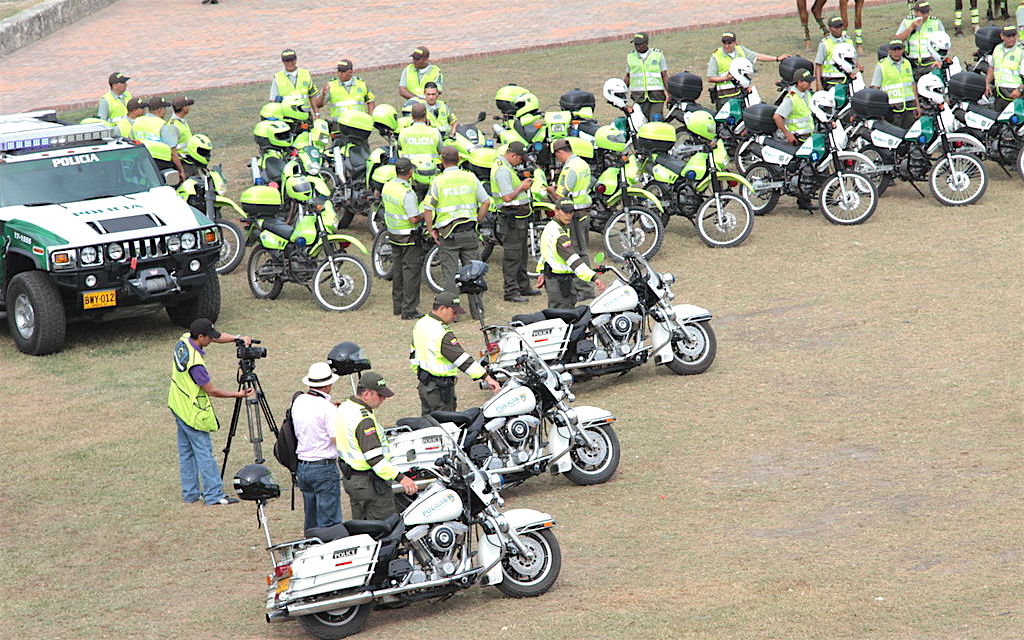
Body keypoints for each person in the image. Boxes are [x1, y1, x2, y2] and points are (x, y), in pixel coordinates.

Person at [167, 318, 252, 506]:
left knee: (186, 452)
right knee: (204, 452)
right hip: (192, 411)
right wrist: (238, 394)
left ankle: (190, 494)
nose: (212, 340)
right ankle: (214, 495)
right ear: (200, 336)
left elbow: (218, 337)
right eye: (209, 337)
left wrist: (237, 338)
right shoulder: (196, 365)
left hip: (177, 404)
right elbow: (211, 390)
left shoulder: (184, 340)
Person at [336, 372, 418, 520]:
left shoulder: (345, 408)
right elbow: (375, 459)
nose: (383, 399)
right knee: (384, 530)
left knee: (362, 529)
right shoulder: (364, 420)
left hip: (353, 480)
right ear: (367, 394)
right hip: (370, 483)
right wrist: (401, 478)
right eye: (380, 395)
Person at [410, 292, 501, 415]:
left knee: (427, 426)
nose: (455, 316)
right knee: (445, 426)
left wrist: (420, 374)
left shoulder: (421, 323)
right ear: (442, 308)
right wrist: (487, 378)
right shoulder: (441, 331)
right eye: (454, 312)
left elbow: (413, 353)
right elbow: (462, 360)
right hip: (440, 389)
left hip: (425, 385)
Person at [423, 146, 491, 297]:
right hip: (469, 231)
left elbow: (427, 207)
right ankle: (477, 310)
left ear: (442, 161)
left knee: (450, 275)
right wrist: (477, 220)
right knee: (474, 273)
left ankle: (452, 310)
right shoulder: (471, 177)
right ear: (460, 159)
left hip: (448, 235)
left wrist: (430, 229)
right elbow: (486, 202)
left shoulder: (438, 181)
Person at [293, 362, 343, 530]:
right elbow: (337, 439)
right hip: (324, 467)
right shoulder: (327, 409)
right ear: (328, 385)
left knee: (312, 520)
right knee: (329, 523)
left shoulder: (299, 401)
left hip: (304, 466)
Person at [489, 141, 538, 303]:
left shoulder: (506, 167)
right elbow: (507, 197)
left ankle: (523, 286)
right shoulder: (502, 170)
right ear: (512, 155)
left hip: (519, 219)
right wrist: (522, 187)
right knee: (512, 255)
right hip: (511, 219)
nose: (521, 162)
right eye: (520, 158)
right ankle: (511, 291)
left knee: (522, 254)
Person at [536, 199, 607, 309]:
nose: (568, 216)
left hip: (553, 279)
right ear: (556, 211)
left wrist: (541, 272)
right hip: (560, 282)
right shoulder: (560, 234)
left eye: (571, 212)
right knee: (563, 317)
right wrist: (594, 278)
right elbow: (574, 260)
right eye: (565, 212)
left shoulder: (550, 227)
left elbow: (545, 253)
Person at [546, 138, 593, 299]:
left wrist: (550, 190)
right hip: (584, 211)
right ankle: (583, 287)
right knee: (582, 249)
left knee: (578, 252)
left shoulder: (569, 169)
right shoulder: (582, 164)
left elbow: (561, 196)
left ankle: (585, 289)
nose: (557, 159)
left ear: (561, 152)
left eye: (557, 155)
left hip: (574, 214)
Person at [383, 158, 425, 319]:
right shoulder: (407, 193)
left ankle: (398, 306)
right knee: (411, 273)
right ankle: (409, 310)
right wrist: (425, 214)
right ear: (410, 172)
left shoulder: (388, 186)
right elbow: (413, 218)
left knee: (398, 271)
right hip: (408, 236)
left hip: (393, 234)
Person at [706, 32, 792, 109]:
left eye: (729, 43)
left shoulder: (741, 50)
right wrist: (725, 78)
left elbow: (757, 56)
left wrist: (777, 58)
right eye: (724, 43)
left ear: (735, 43)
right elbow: (710, 78)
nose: (726, 46)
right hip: (725, 97)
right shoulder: (716, 56)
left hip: (741, 94)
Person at [132, 96, 186, 182]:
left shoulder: (138, 121)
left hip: (140, 162)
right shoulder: (162, 125)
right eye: (164, 108)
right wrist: (181, 171)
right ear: (160, 110)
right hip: (160, 164)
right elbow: (173, 153)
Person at [870, 40, 920, 129]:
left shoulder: (907, 63)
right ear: (889, 50)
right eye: (894, 50)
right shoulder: (881, 65)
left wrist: (917, 105)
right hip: (892, 111)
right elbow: (875, 89)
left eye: (899, 49)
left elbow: (912, 85)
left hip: (909, 108)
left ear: (903, 50)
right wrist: (878, 111)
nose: (896, 52)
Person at [398, 102, 443, 196]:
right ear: (426, 115)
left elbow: (399, 148)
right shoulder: (434, 132)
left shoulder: (404, 132)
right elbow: (441, 150)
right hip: (432, 173)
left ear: (412, 116)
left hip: (411, 176)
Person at [624, 32, 669, 122]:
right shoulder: (631, 57)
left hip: (656, 97)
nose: (637, 46)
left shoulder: (657, 55)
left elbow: (664, 75)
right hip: (639, 97)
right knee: (642, 123)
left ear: (646, 43)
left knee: (656, 121)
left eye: (640, 44)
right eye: (635, 44)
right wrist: (621, 91)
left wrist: (670, 94)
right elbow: (628, 76)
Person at [895, 2, 946, 78]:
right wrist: (911, 27)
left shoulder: (935, 22)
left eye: (927, 12)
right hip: (912, 63)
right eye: (922, 13)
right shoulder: (907, 21)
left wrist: (940, 61)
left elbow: (945, 43)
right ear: (915, 12)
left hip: (931, 63)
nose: (925, 15)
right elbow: (897, 40)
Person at [270, 49, 319, 117]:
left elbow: (313, 96)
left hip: (305, 115)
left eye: (292, 60)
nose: (289, 63)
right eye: (287, 61)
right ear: (283, 62)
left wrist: (316, 113)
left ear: (296, 60)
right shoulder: (277, 78)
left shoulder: (305, 74)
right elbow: (273, 101)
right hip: (287, 117)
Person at [815, 16, 859, 90]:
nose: (838, 29)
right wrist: (818, 85)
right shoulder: (825, 43)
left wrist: (856, 70)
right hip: (830, 82)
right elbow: (818, 65)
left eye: (840, 26)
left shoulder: (848, 41)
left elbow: (853, 62)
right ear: (830, 28)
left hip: (847, 81)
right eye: (835, 27)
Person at [986, 25, 1024, 111]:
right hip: (1000, 93)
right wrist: (987, 84)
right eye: (1008, 36)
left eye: (1013, 35)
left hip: (1016, 94)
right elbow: (992, 67)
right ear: (1002, 36)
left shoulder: (1021, 51)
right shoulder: (997, 49)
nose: (1011, 38)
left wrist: (1020, 90)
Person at [774, 68, 815, 145]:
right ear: (799, 82)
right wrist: (787, 134)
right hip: (796, 139)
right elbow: (777, 117)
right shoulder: (791, 98)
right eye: (808, 81)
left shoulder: (807, 94)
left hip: (806, 138)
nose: (810, 83)